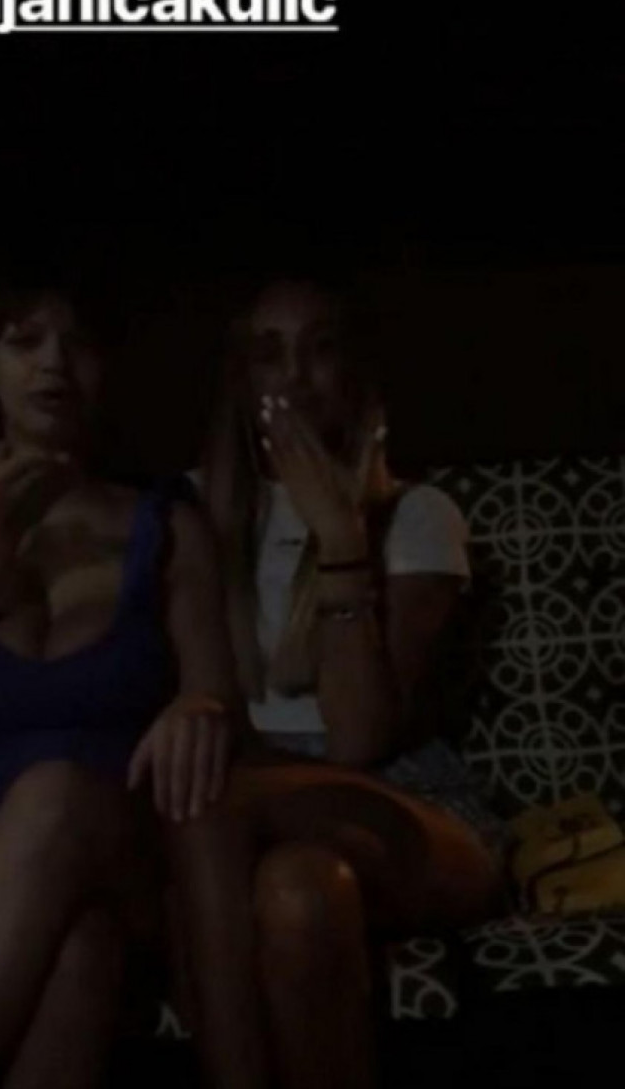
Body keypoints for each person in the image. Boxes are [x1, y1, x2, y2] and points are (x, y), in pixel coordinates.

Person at [0, 279, 237, 1089]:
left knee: (54, 794)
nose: (54, 364)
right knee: (77, 956)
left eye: (78, 344)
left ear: (105, 369)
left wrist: (198, 706)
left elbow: (214, 696)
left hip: (122, 839)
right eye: (24, 342)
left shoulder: (165, 523)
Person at [167, 276, 508, 1089]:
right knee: (299, 892)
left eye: (319, 350)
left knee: (207, 797)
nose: (294, 376)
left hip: (401, 799)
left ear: (354, 370)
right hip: (248, 818)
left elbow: (358, 741)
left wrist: (340, 536)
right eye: (269, 354)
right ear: (241, 378)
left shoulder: (416, 514)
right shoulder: (191, 511)